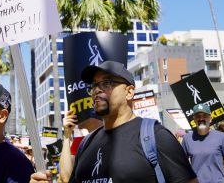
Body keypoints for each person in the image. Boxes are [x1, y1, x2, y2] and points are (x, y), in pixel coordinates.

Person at [30, 60, 197, 183]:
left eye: (107, 83)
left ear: (130, 92)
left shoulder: (156, 137)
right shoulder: (87, 144)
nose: (97, 90)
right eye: (93, 85)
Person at [181, 104, 224, 183]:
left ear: (210, 118)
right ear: (194, 119)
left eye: (204, 116)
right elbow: (183, 166)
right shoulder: (187, 138)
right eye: (198, 116)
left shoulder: (221, 137)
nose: (201, 118)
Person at [57, 109, 103, 183]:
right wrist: (67, 134)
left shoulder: (116, 137)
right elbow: (65, 178)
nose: (75, 114)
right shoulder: (80, 143)